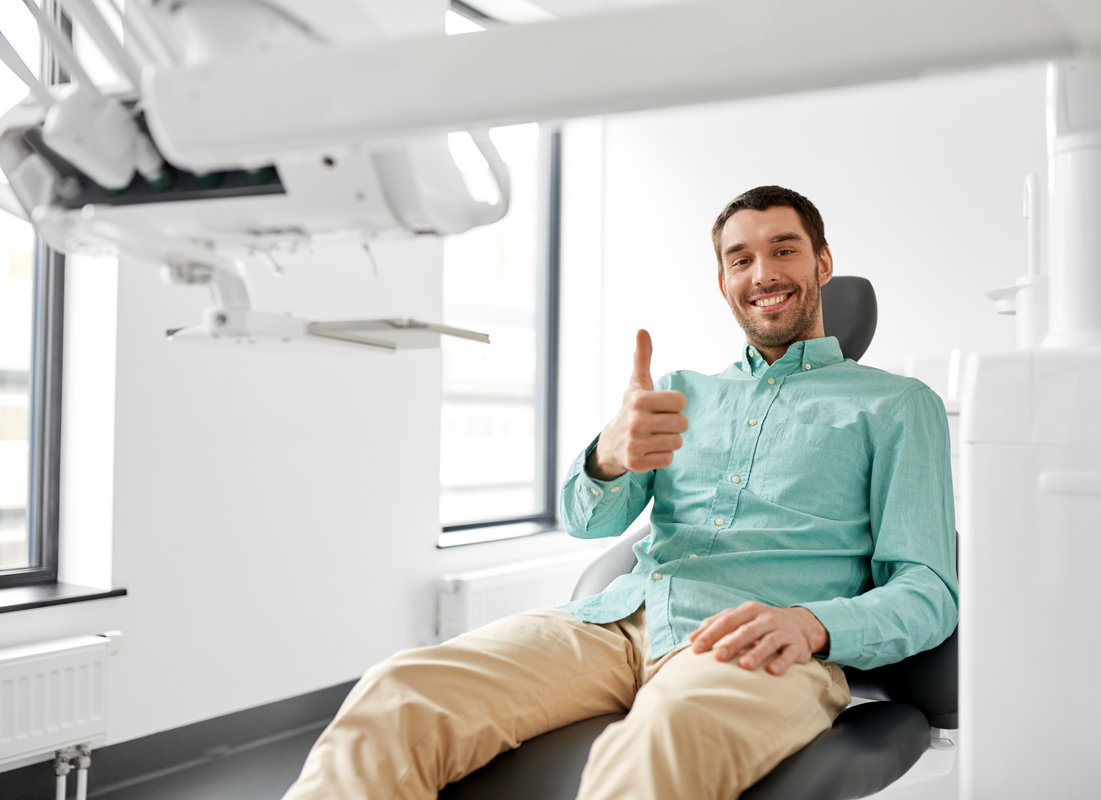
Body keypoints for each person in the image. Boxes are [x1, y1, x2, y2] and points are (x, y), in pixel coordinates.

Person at [283, 185, 958, 800]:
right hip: (616, 624)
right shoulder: (680, 393)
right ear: (723, 281)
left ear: (822, 262)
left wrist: (811, 625)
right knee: (398, 691)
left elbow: (926, 590)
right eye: (740, 259)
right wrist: (608, 456)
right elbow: (588, 521)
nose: (763, 274)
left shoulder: (897, 405)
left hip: (757, 643)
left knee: (659, 743)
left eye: (784, 250)